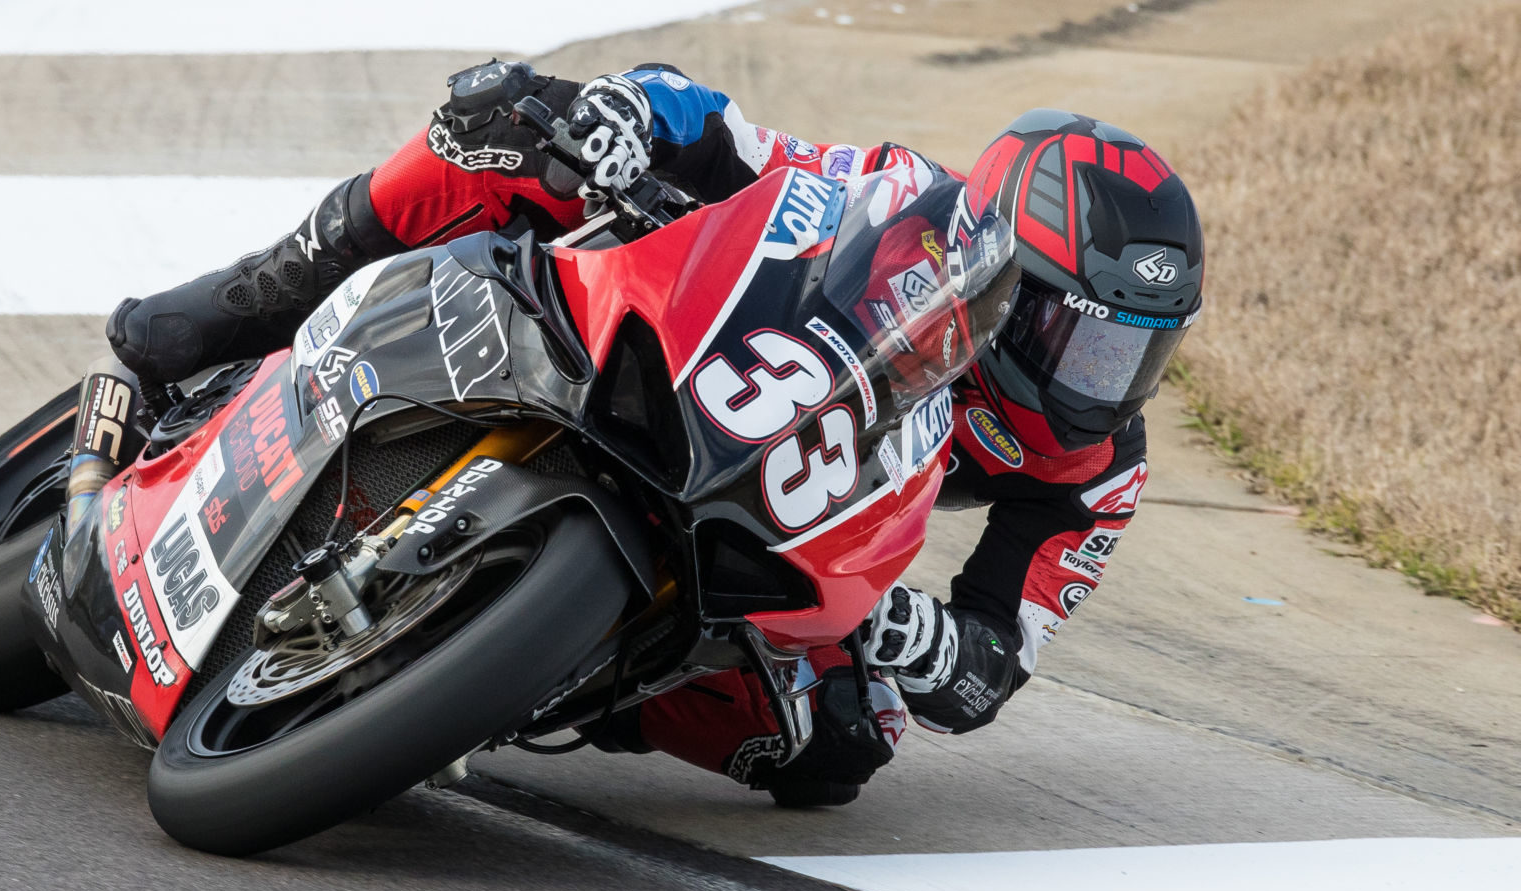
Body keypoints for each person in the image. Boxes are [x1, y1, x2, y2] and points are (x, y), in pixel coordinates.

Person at [76, 61, 1205, 807]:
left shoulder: (1099, 471)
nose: (1097, 382)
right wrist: (626, 118)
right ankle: (251, 298)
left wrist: (930, 643)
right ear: (999, 264)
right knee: (504, 120)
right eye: (1076, 337)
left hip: (808, 522)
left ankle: (562, 674)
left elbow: (992, 665)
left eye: (1132, 354)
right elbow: (721, 130)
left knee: (841, 747)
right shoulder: (902, 198)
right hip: (704, 359)